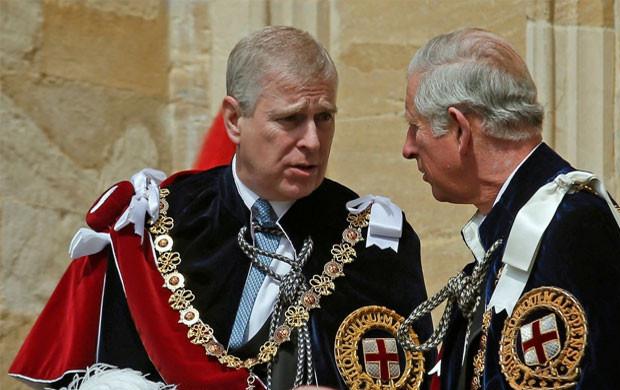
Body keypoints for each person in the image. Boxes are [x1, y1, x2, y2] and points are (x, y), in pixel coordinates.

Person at [10, 26, 432, 389]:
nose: (312, 141)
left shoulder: (376, 246)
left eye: (324, 118)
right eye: (289, 120)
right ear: (234, 120)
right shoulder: (150, 226)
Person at [398, 28, 620, 389]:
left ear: (459, 129)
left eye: (415, 127)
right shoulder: (510, 236)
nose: (408, 148)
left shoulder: (573, 229)